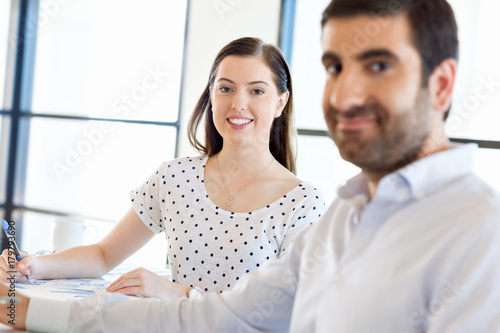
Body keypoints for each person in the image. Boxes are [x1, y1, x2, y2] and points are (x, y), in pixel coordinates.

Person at [2, 0, 500, 331]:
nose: (346, 93)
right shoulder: (344, 219)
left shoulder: (481, 231)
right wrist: (29, 309)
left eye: (379, 66)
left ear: (441, 84)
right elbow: (213, 318)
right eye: (334, 67)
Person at [0, 37, 326, 300]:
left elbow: (287, 307)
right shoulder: (174, 178)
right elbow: (102, 255)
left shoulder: (303, 203)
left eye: (256, 91)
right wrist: (32, 265)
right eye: (226, 88)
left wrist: (177, 293)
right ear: (211, 95)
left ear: (280, 103)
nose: (238, 103)